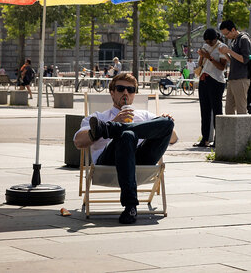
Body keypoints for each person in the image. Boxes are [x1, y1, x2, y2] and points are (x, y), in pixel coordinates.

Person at [73, 73, 178, 224]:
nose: (126, 93)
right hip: (109, 162)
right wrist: (113, 120)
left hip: (142, 160)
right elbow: (78, 141)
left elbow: (173, 138)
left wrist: (163, 123)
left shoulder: (144, 115)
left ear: (134, 94)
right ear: (112, 92)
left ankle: (113, 129)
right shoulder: (99, 118)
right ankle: (130, 206)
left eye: (130, 90)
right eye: (121, 88)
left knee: (167, 122)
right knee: (127, 135)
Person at [195, 28, 227, 148]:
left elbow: (222, 67)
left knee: (217, 111)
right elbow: (200, 64)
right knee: (205, 111)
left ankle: (218, 139)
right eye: (206, 41)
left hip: (216, 81)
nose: (208, 43)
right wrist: (202, 56)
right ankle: (205, 139)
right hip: (204, 80)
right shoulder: (205, 46)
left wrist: (209, 57)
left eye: (210, 42)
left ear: (215, 39)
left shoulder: (221, 47)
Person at [218, 20, 251, 115]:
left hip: (241, 78)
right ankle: (231, 129)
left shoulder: (244, 39)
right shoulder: (234, 41)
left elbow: (244, 59)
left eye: (227, 34)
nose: (226, 36)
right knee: (228, 109)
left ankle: (242, 129)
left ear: (233, 30)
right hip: (233, 78)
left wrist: (229, 51)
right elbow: (234, 61)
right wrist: (225, 54)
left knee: (241, 109)